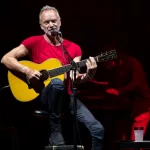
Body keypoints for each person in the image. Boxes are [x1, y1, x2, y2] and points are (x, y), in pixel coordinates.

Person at [1, 5, 104, 150]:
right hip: (45, 95)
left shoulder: (74, 48)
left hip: (67, 97)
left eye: (53, 21)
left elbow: (74, 77)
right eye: (46, 22)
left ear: (60, 22)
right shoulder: (33, 42)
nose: (51, 25)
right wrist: (27, 71)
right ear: (41, 26)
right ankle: (55, 129)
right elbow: (6, 59)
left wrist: (89, 74)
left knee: (97, 129)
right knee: (56, 82)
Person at [101, 48, 150, 149]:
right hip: (129, 111)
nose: (107, 67)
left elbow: (135, 83)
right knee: (125, 143)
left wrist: (119, 91)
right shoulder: (118, 69)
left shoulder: (132, 63)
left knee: (137, 142)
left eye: (107, 64)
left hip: (141, 110)